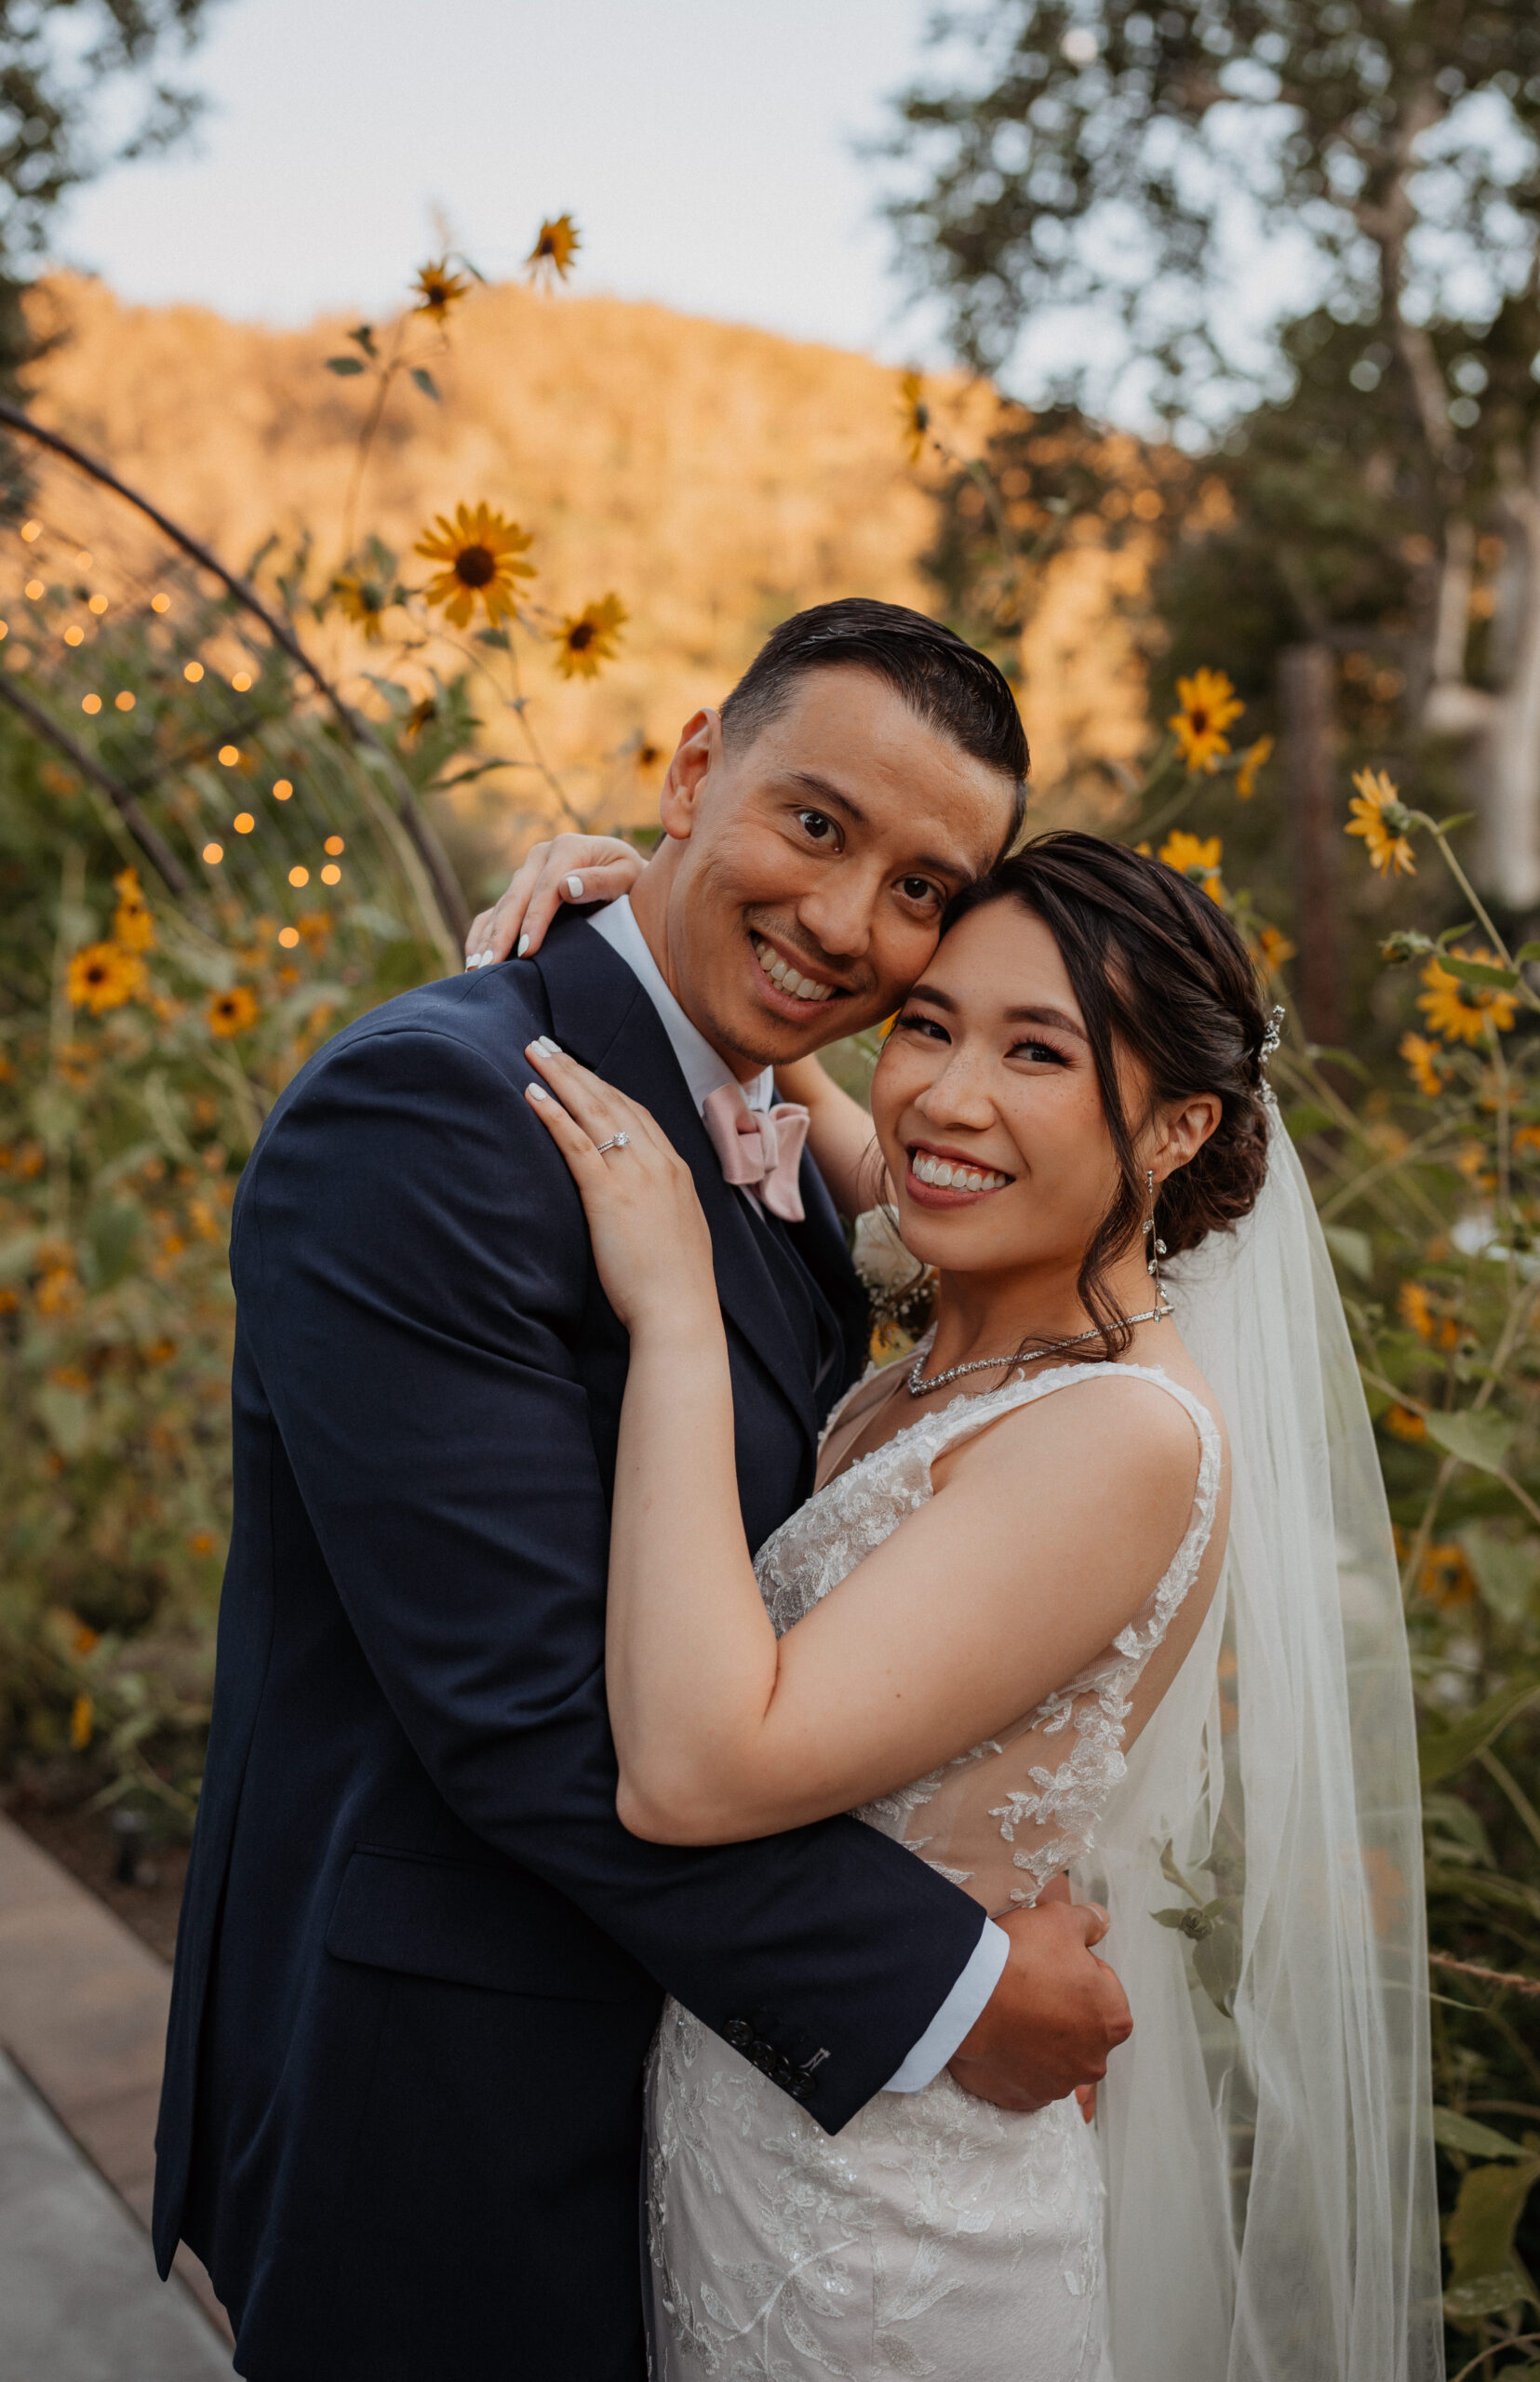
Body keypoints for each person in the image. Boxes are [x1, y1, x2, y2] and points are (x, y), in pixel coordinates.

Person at [152, 602, 1133, 2381]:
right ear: (694, 770)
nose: (846, 922)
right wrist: (954, 1988)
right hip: (454, 2103)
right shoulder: (435, 1118)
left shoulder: (823, 1164)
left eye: (920, 888)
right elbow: (526, 1712)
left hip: (715, 2113)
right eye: (811, 824)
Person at [517, 830, 1445, 2380]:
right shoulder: (985, 1314)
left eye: (1039, 1050)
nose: (949, 1095)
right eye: (931, 1025)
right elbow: (867, 1128)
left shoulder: (1118, 1437)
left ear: (1177, 1128)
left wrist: (677, 1313)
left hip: (893, 2233)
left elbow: (698, 1774)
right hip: (770, 2127)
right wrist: (646, 903)